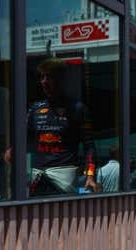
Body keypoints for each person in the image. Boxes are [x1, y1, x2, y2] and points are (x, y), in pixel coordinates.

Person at [27, 58, 98, 196]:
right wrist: (12, 150)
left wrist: (90, 176)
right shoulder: (35, 108)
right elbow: (23, 139)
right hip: (37, 180)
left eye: (49, 77)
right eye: (42, 77)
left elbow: (89, 146)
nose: (44, 82)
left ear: (61, 80)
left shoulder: (78, 108)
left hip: (64, 181)